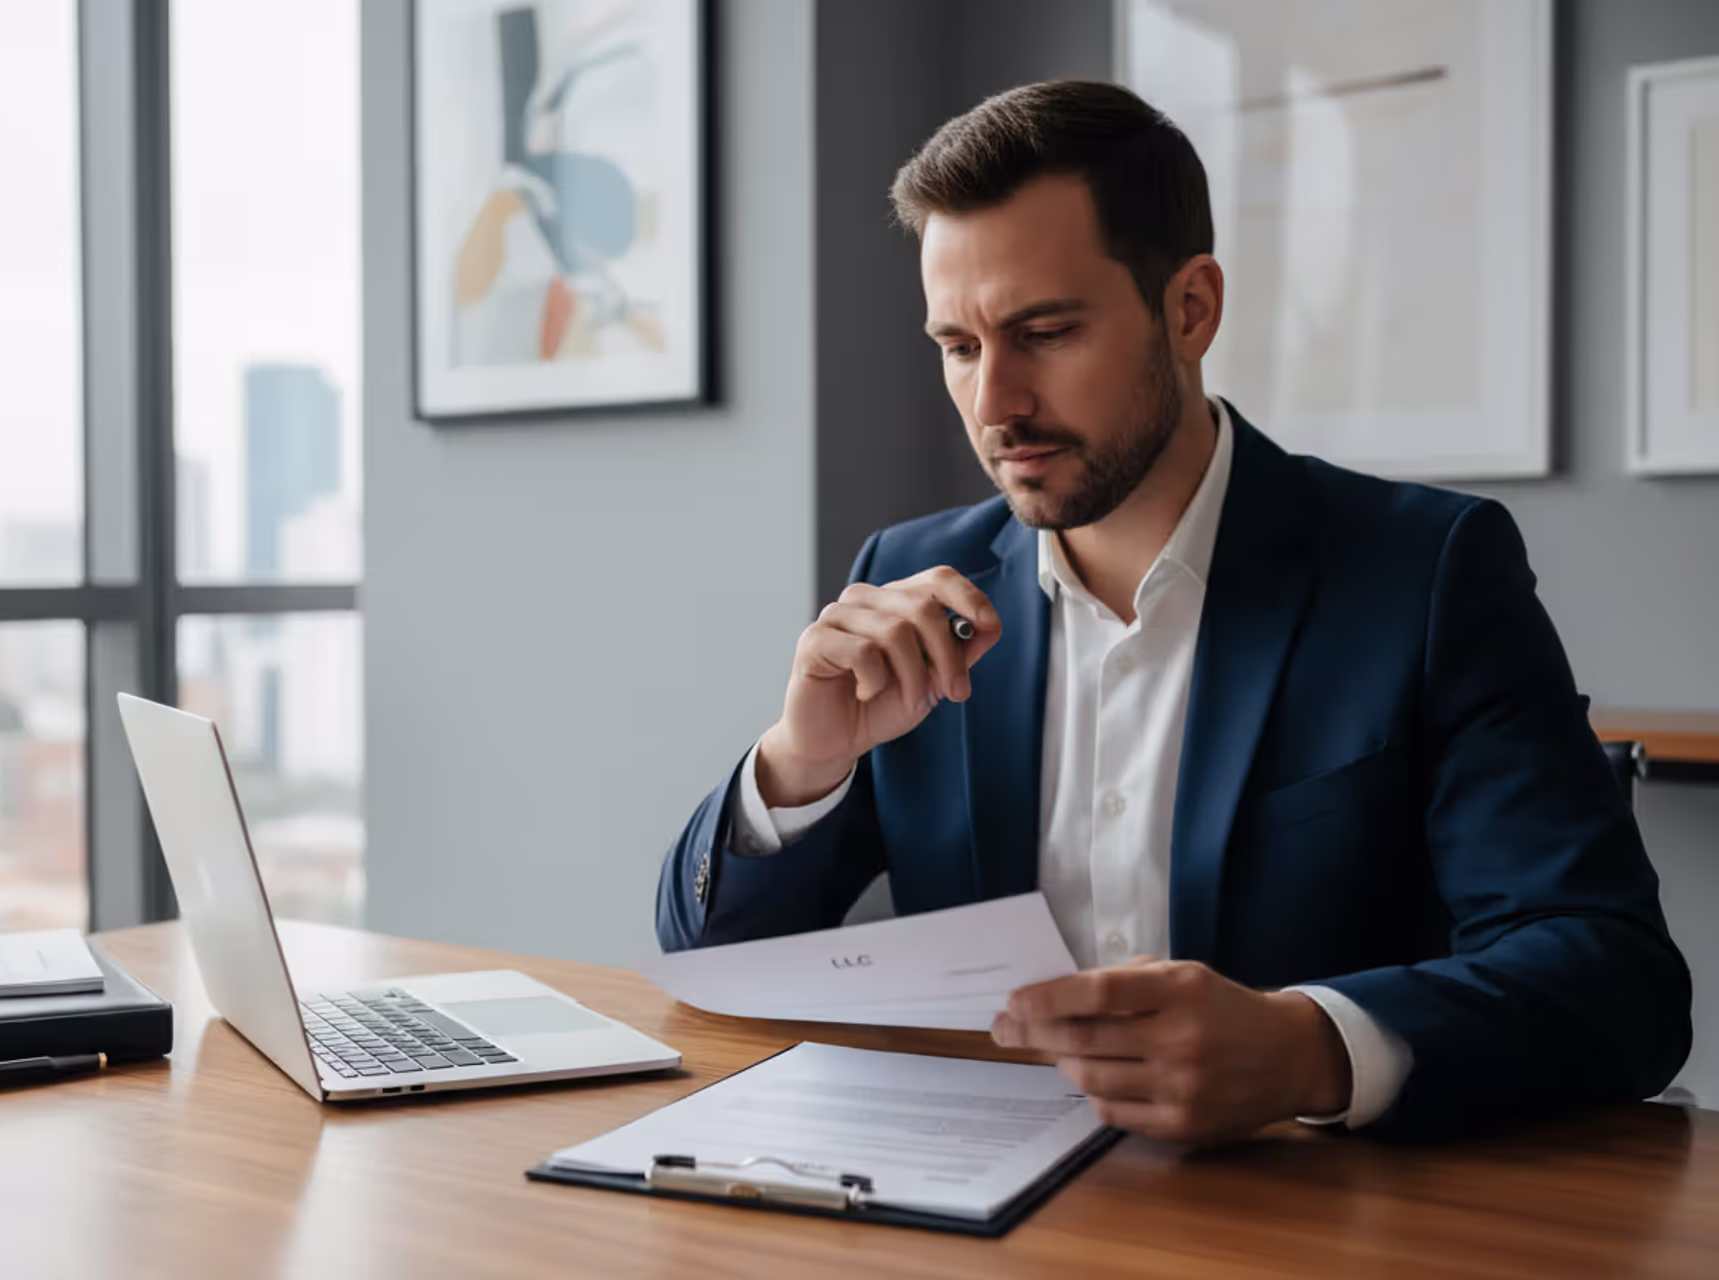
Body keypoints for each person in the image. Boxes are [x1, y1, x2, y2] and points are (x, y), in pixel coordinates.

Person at [654, 81, 1690, 1145]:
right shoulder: (910, 577)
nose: (994, 402)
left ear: (1189, 309)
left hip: (1310, 1217)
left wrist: (1308, 1044)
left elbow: (1615, 978)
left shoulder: (1423, 573)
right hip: (976, 1209)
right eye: (959, 347)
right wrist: (798, 764)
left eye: (1044, 331)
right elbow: (710, 962)